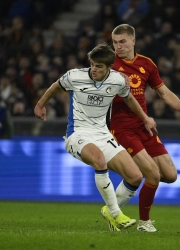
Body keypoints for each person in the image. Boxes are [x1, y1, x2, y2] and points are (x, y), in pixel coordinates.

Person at [34, 43, 158, 232]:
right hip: (78, 133)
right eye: (92, 64)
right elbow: (56, 86)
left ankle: (110, 211)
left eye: (99, 66)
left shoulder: (117, 81)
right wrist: (40, 104)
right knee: (99, 160)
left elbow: (129, 98)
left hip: (102, 133)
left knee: (135, 176)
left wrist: (145, 118)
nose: (94, 69)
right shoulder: (75, 76)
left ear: (110, 68)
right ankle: (116, 214)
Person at [108, 24, 180, 232]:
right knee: (152, 174)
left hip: (145, 127)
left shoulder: (146, 64)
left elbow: (165, 93)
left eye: (122, 41)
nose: (118, 46)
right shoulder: (109, 65)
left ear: (133, 41)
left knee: (170, 175)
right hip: (122, 128)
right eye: (115, 42)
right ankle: (143, 222)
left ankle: (121, 192)